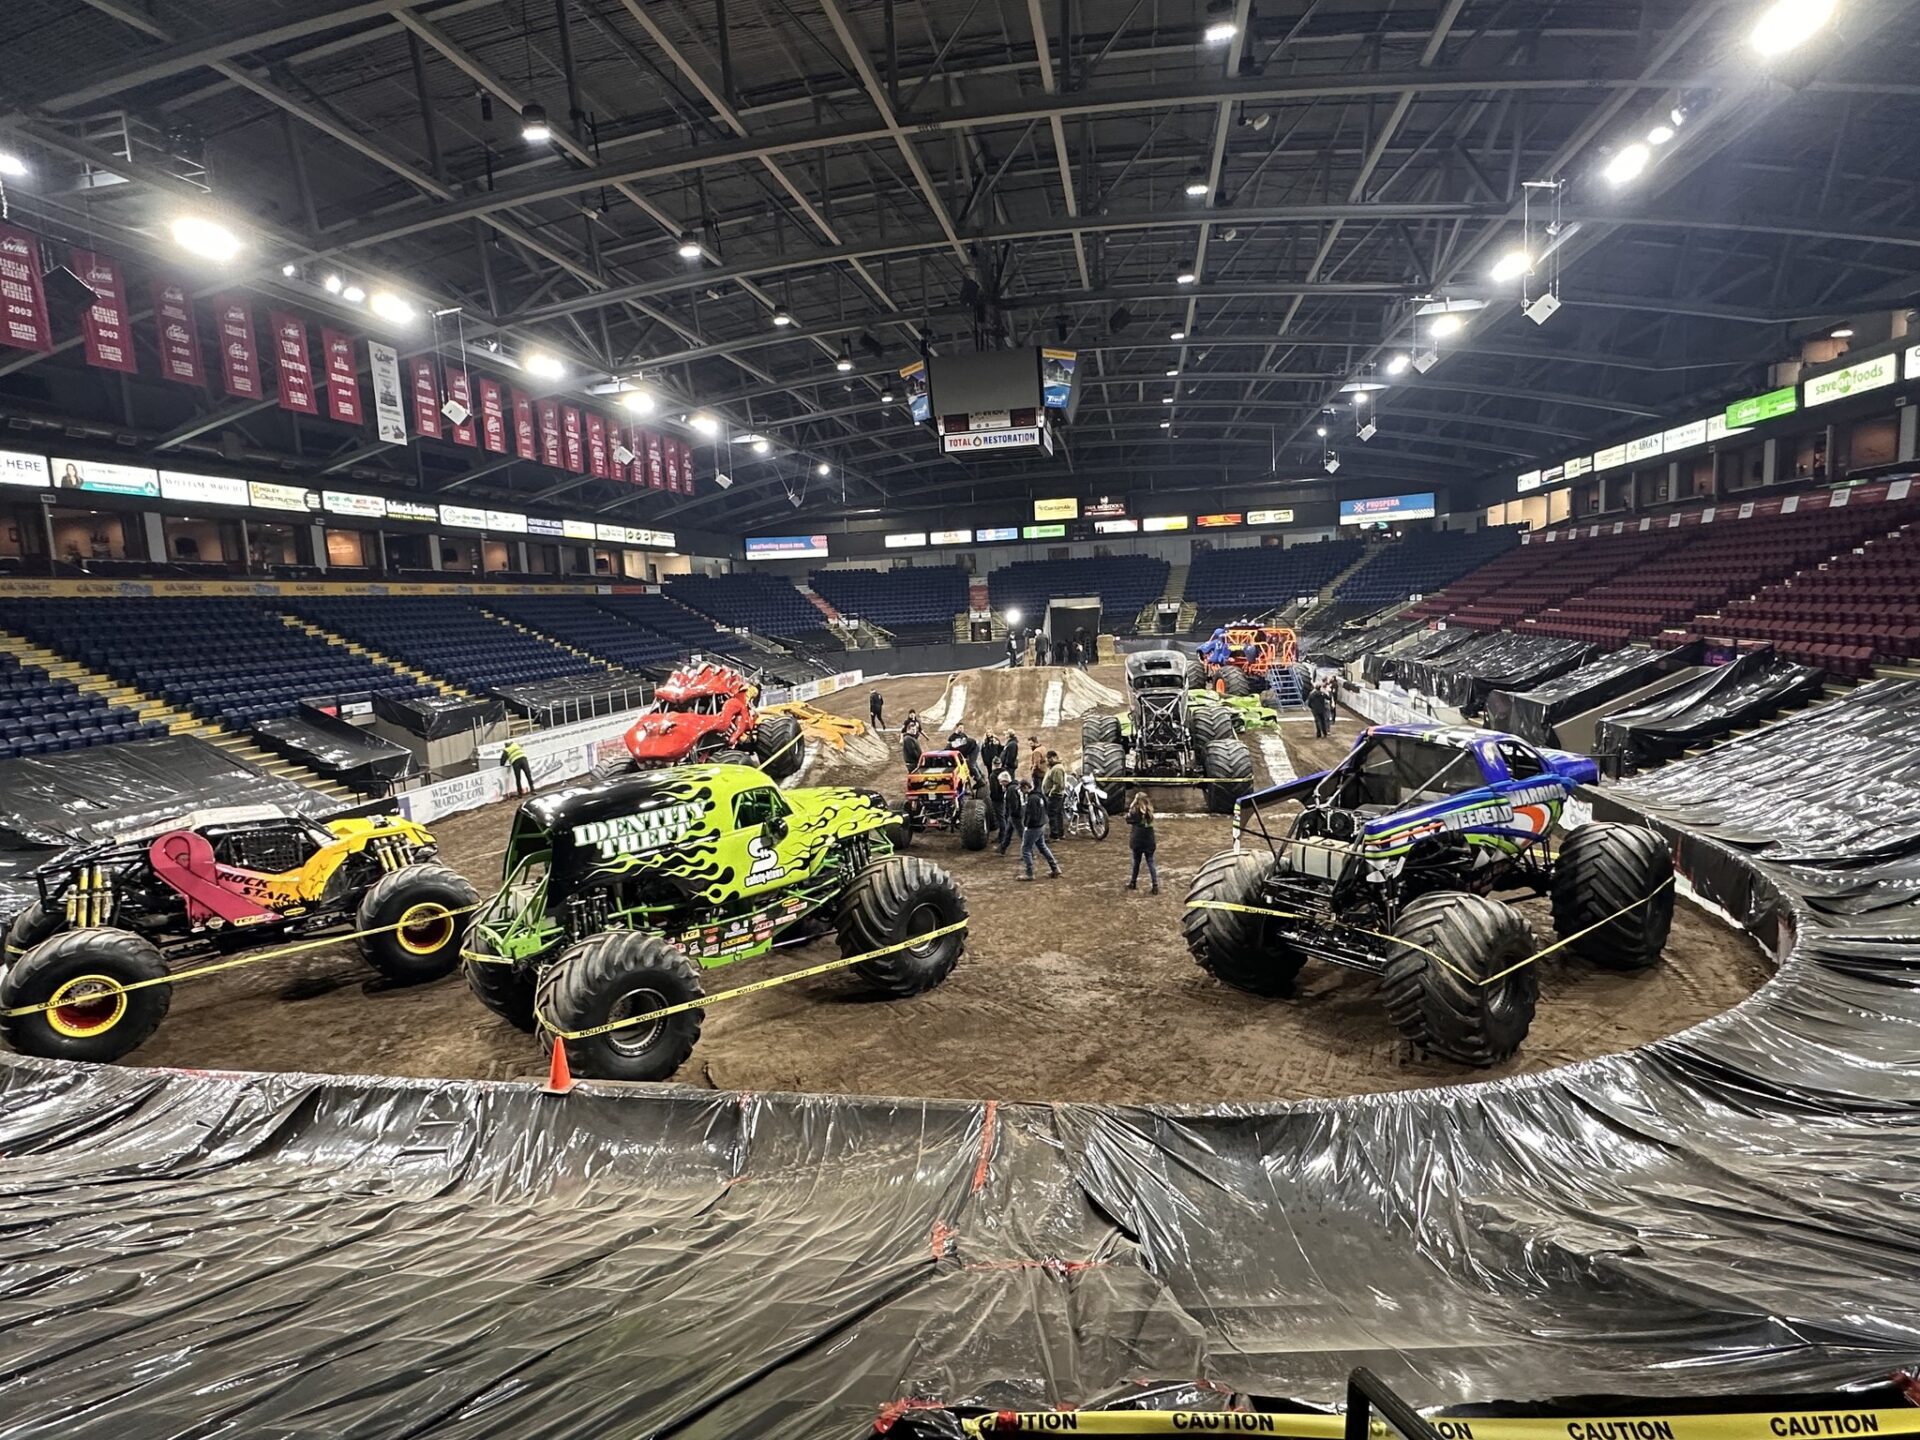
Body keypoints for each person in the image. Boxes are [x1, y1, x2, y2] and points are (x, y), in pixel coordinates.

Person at [1017, 778, 1060, 881]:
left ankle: (1029, 873)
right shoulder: (1039, 795)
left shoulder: (1031, 799)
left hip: (1034, 827)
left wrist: (1027, 825)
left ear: (1026, 787)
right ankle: (1055, 868)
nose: (1021, 792)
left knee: (1026, 849)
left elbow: (1032, 815)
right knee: (1042, 847)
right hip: (1041, 824)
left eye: (1022, 789)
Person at [1125, 791, 1159, 893]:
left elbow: (1127, 819)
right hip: (1149, 841)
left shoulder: (1135, 812)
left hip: (1137, 841)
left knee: (1136, 863)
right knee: (1151, 862)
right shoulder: (1150, 812)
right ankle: (1155, 885)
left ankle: (1133, 882)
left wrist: (1131, 806)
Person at [1042, 749, 1067, 839]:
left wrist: (1051, 793)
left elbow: (1058, 784)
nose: (1048, 760)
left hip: (1055, 796)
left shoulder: (1057, 769)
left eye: (1049, 758)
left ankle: (1055, 835)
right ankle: (1060, 833)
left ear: (1055, 757)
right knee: (1058, 814)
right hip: (1056, 795)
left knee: (1053, 814)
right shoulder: (1053, 767)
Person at [994, 771, 1021, 854]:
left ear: (1005, 781)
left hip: (1015, 816)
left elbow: (1014, 804)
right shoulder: (1014, 786)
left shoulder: (1011, 789)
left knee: (1022, 834)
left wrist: (1013, 814)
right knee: (1008, 832)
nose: (1000, 784)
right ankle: (1002, 848)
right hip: (1013, 815)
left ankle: (1029, 852)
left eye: (1001, 782)